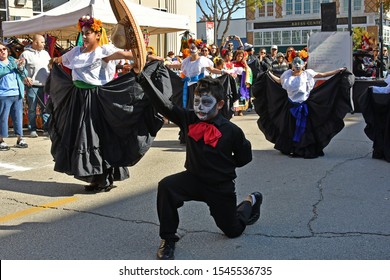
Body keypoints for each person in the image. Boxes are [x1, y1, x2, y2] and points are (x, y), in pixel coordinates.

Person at [138, 66, 263, 260]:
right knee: (166, 187)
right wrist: (141, 77)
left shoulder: (232, 131)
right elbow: (164, 106)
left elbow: (244, 158)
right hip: (193, 179)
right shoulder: (189, 119)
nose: (199, 107)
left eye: (206, 102)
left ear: (220, 104)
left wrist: (223, 167)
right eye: (197, 101)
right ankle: (168, 239)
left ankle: (250, 201)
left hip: (220, 186)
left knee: (233, 231)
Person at [46, 15, 163, 191]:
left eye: (88, 33)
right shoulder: (76, 52)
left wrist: (151, 57)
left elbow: (129, 54)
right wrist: (53, 62)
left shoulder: (104, 51)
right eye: (83, 33)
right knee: (81, 137)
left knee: (96, 137)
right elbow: (60, 60)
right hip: (77, 98)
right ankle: (97, 177)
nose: (84, 36)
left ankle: (101, 178)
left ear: (97, 35)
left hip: (97, 99)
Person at [253, 57, 354, 158]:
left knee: (303, 129)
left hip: (304, 106)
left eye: (299, 63)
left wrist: (338, 71)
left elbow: (323, 75)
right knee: (290, 128)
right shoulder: (287, 74)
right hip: (290, 107)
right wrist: (269, 74)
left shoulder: (307, 74)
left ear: (303, 65)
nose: (297, 65)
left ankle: (303, 148)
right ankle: (291, 147)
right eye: (295, 63)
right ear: (291, 65)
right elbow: (279, 81)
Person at [167, 38, 233, 143]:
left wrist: (223, 71)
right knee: (188, 110)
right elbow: (179, 65)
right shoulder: (186, 61)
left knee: (201, 110)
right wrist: (168, 65)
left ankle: (202, 133)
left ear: (198, 49)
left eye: (195, 47)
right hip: (187, 89)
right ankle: (188, 134)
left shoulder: (202, 60)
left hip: (200, 88)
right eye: (191, 47)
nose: (192, 48)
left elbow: (211, 69)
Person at [19, 34, 51, 138]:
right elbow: (20, 69)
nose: (44, 44)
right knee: (32, 108)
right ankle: (32, 128)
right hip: (32, 87)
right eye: (42, 42)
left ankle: (46, 128)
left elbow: (50, 67)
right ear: (35, 42)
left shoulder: (46, 53)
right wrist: (25, 78)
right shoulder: (25, 54)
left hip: (45, 85)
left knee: (46, 108)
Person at [0, 42, 28, 150]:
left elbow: (23, 73)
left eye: (4, 49)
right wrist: (12, 66)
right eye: (0, 50)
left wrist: (21, 67)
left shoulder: (12, 60)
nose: (2, 51)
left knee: (18, 117)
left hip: (16, 93)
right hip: (3, 94)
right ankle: (1, 139)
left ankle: (20, 138)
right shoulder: (10, 63)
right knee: (3, 118)